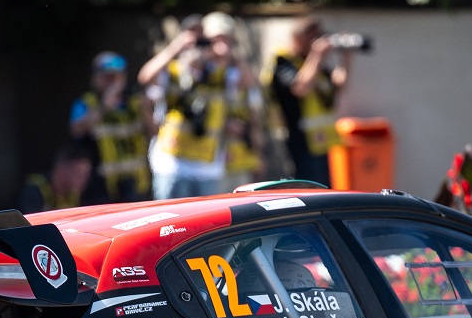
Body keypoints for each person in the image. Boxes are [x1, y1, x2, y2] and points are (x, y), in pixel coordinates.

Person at [138, 11, 263, 201]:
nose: (199, 47)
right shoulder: (174, 70)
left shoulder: (221, 73)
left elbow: (248, 82)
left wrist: (225, 51)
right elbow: (145, 77)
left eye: (205, 42)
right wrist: (176, 47)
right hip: (172, 164)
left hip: (207, 167)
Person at [267, 15, 351, 186]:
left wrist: (346, 56)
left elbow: (338, 85)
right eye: (312, 37)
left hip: (321, 142)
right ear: (298, 38)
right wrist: (317, 55)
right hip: (300, 142)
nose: (315, 42)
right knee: (309, 189)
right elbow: (300, 88)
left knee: (325, 190)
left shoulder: (313, 64)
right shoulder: (283, 62)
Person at [69, 51, 153, 202]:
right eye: (107, 77)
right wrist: (104, 107)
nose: (113, 82)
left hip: (135, 186)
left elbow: (154, 132)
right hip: (100, 188)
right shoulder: (87, 103)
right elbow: (76, 130)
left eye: (117, 77)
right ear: (95, 78)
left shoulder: (134, 103)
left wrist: (145, 110)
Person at [18, 143, 108, 213]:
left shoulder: (76, 194)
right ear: (62, 169)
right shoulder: (34, 190)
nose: (84, 180)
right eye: (78, 174)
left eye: (86, 175)